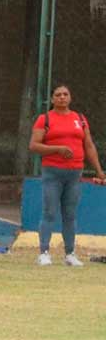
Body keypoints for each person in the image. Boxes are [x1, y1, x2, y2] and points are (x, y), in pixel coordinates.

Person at [28, 84, 106, 266]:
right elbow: (33, 145)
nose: (62, 97)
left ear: (70, 97)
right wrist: (57, 149)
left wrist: (99, 171)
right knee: (49, 212)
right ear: (53, 99)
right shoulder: (44, 119)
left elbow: (89, 145)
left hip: (74, 174)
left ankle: (70, 254)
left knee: (70, 214)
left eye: (65, 94)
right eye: (58, 95)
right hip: (52, 173)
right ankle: (44, 252)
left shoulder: (80, 119)